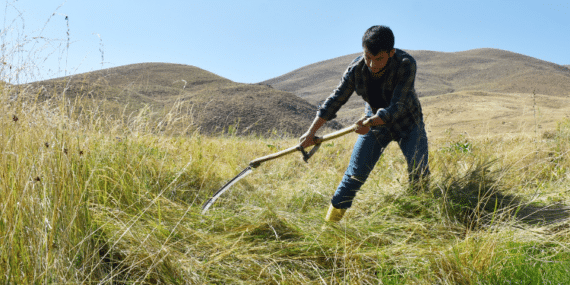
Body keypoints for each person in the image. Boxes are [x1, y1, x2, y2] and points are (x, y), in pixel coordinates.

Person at [299, 25, 430, 222]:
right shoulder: (356, 69)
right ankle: (329, 226)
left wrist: (371, 121)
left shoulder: (406, 64)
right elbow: (334, 101)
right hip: (374, 127)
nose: (372, 64)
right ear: (363, 51)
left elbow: (399, 106)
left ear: (391, 53)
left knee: (419, 172)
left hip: (408, 125)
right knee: (354, 176)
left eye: (379, 59)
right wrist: (311, 133)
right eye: (368, 57)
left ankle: (418, 222)